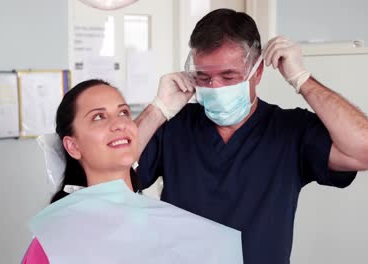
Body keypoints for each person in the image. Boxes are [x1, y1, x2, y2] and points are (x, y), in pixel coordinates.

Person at [135, 8, 368, 264]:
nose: (215, 87)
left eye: (228, 76)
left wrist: (302, 80)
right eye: (203, 77)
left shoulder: (291, 130)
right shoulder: (175, 126)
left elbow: (363, 150)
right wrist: (158, 109)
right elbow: (109, 175)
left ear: (257, 73)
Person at [22, 79, 243, 264]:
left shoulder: (176, 230)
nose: (119, 123)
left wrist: (161, 108)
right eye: (98, 116)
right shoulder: (56, 239)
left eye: (124, 113)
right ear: (73, 146)